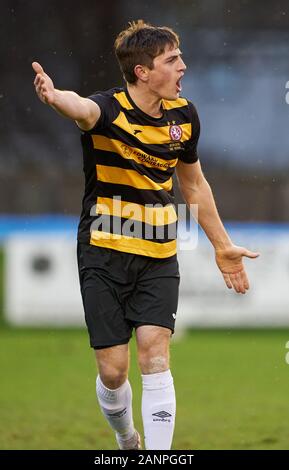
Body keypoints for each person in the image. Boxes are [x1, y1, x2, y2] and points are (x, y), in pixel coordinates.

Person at [32, 20, 259, 450]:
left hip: (158, 254)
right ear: (143, 72)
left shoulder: (184, 116)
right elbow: (80, 108)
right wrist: (53, 97)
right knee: (114, 372)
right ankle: (126, 438)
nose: (183, 67)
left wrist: (222, 245)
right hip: (103, 253)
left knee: (155, 356)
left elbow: (193, 184)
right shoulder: (108, 110)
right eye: (172, 60)